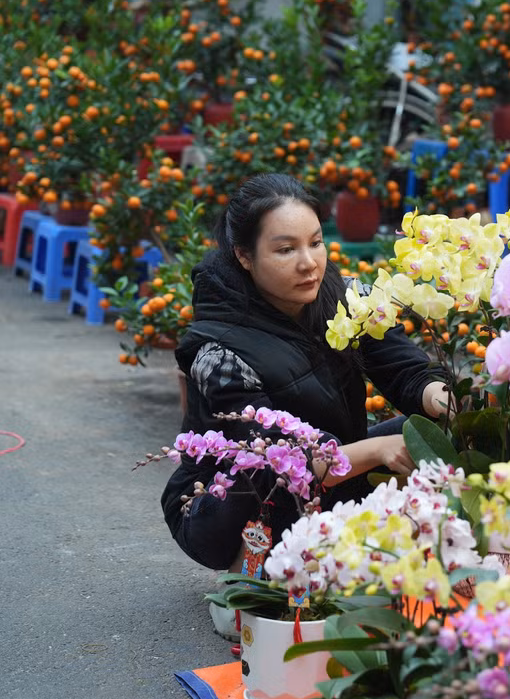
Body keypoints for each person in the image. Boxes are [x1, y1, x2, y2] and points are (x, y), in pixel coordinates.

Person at [161, 173, 451, 585]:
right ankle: (253, 572)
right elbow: (280, 462)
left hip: (334, 475)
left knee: (436, 431)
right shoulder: (219, 352)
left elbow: (406, 372)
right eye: (285, 249)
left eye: (315, 243)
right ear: (245, 256)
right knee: (263, 473)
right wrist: (377, 450)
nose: (308, 262)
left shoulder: (349, 300)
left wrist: (447, 401)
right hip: (223, 505)